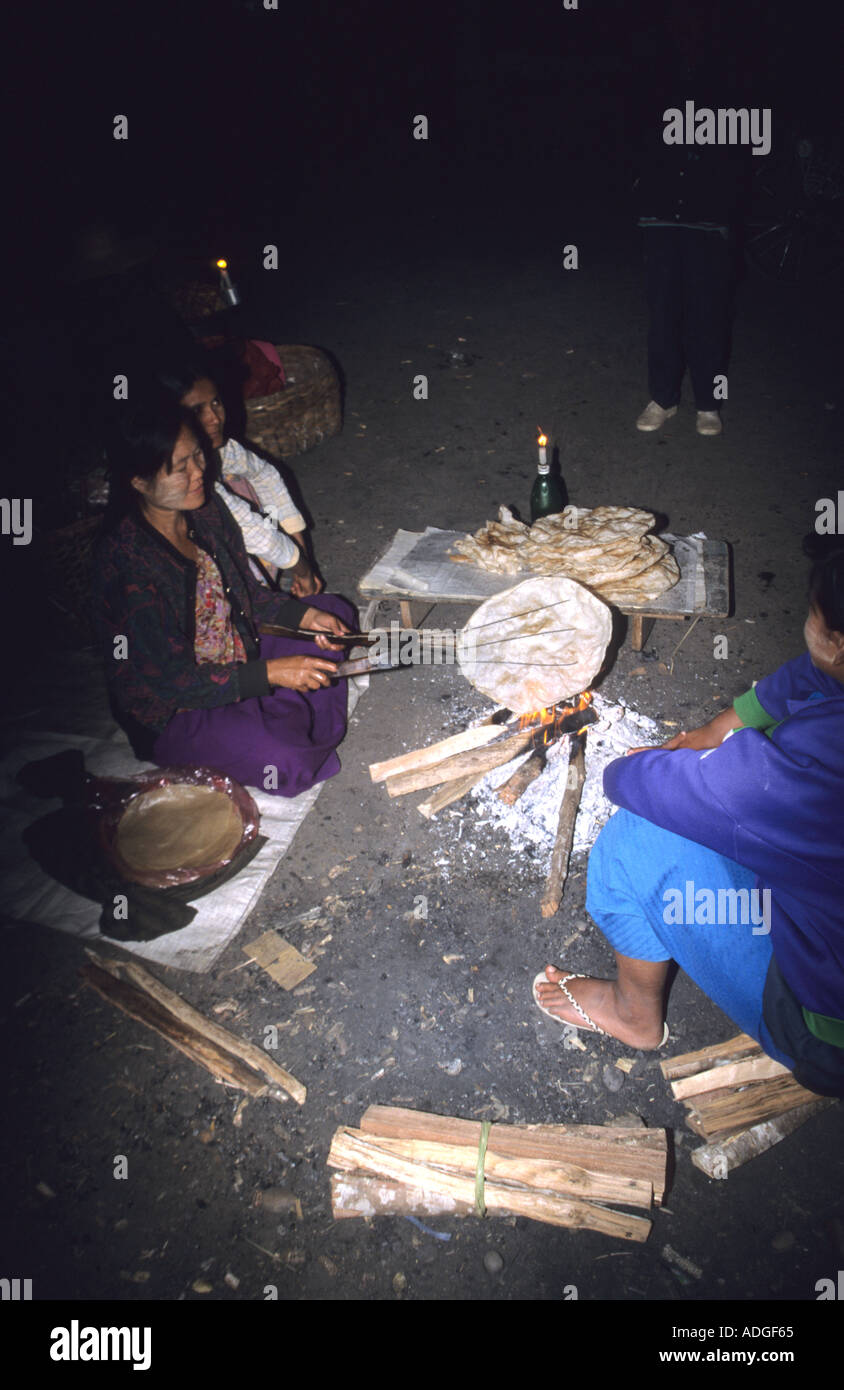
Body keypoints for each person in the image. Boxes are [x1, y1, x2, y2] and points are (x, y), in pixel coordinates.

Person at [533, 539, 844, 1097]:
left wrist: (635, 767)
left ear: (838, 641)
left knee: (636, 839)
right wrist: (714, 731)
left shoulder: (801, 772)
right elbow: (814, 679)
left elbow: (642, 785)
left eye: (813, 612)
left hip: (826, 1038)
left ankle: (634, 1015)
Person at [94, 393, 357, 798]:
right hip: (178, 708)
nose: (199, 472)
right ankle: (278, 711)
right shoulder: (127, 564)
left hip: (237, 647)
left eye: (198, 456)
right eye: (179, 468)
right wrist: (271, 673)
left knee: (332, 613)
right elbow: (171, 682)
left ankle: (276, 707)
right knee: (286, 763)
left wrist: (301, 618)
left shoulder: (206, 507)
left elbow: (245, 596)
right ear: (138, 481)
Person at [632, 5, 749, 437]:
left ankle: (708, 402)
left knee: (708, 314)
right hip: (661, 215)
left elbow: (742, 153)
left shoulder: (731, 76)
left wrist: (727, 213)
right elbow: (634, 135)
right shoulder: (652, 71)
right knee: (663, 311)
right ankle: (663, 397)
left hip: (709, 219)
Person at [160, 361, 322, 597]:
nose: (214, 418)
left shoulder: (221, 450)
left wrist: (301, 557)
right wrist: (304, 572)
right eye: (197, 411)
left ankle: (265, 584)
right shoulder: (180, 470)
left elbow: (266, 476)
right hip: (181, 574)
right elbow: (253, 531)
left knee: (251, 484)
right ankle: (254, 597)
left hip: (240, 531)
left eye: (216, 403)